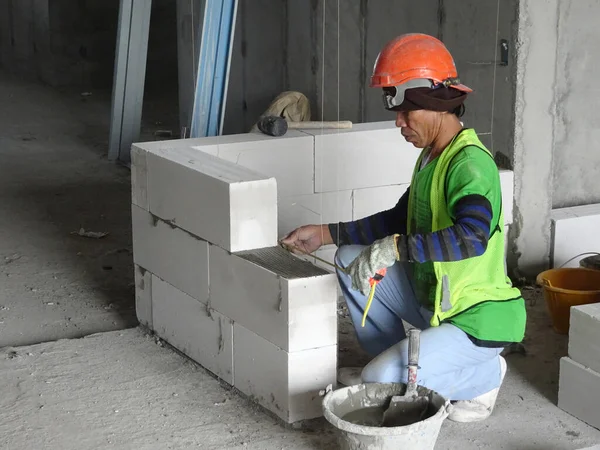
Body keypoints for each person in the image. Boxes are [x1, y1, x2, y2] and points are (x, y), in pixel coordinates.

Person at [281, 33, 526, 423]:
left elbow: (472, 236)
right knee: (349, 259)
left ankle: (483, 376)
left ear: (433, 107)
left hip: (477, 317)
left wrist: (396, 248)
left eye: (406, 113)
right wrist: (326, 234)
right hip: (441, 304)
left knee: (376, 381)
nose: (399, 123)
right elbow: (397, 220)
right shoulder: (433, 157)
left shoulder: (470, 165)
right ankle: (397, 364)